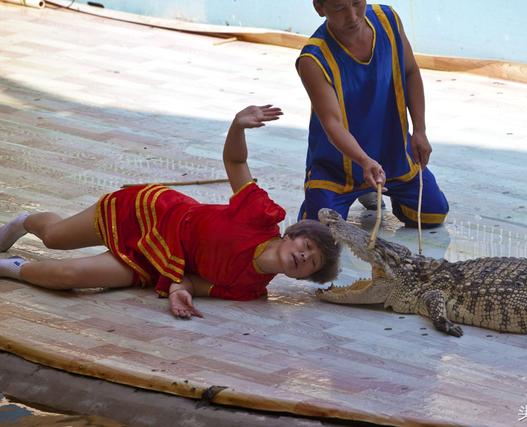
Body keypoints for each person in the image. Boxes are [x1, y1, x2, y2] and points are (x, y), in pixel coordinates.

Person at [0, 105, 341, 319]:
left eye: (311, 264)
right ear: (293, 234)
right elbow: (235, 162)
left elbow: (191, 281)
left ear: (300, 279)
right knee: (55, 238)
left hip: (154, 263)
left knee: (68, 279)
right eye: (307, 247)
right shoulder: (259, 214)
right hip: (148, 212)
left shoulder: (249, 289)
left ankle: (9, 268)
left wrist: (179, 294)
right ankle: (22, 222)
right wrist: (237, 126)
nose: (303, 257)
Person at [297, 0, 449, 227]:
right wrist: (364, 161)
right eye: (339, 8)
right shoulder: (313, 59)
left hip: (392, 154)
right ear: (319, 8)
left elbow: (410, 71)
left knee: (433, 214)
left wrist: (420, 130)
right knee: (320, 233)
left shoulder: (387, 19)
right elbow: (333, 125)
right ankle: (334, 191)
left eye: (357, 3)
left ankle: (372, 190)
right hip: (337, 167)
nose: (352, 16)